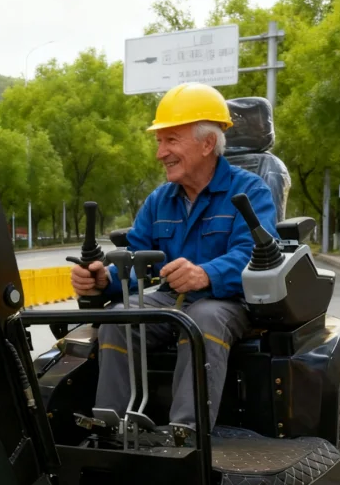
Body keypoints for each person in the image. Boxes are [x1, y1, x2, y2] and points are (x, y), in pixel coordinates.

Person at [71, 82, 279, 443]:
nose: (160, 153)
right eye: (159, 142)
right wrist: (104, 279)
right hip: (171, 299)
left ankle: (187, 433)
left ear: (207, 143)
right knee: (118, 318)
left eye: (171, 140)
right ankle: (111, 427)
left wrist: (205, 274)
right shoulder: (159, 200)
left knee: (202, 318)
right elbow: (135, 258)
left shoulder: (250, 190)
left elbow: (253, 256)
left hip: (229, 302)